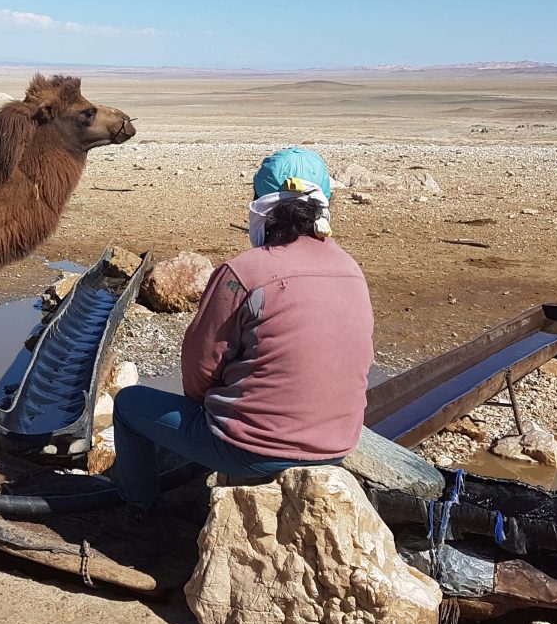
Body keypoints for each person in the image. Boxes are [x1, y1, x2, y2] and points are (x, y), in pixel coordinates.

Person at [111, 147, 373, 511]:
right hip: (337, 446)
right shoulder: (351, 270)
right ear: (324, 206)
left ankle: (137, 513)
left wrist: (208, 407)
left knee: (127, 405)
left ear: (260, 204)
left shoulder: (244, 273)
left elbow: (199, 368)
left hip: (251, 450)